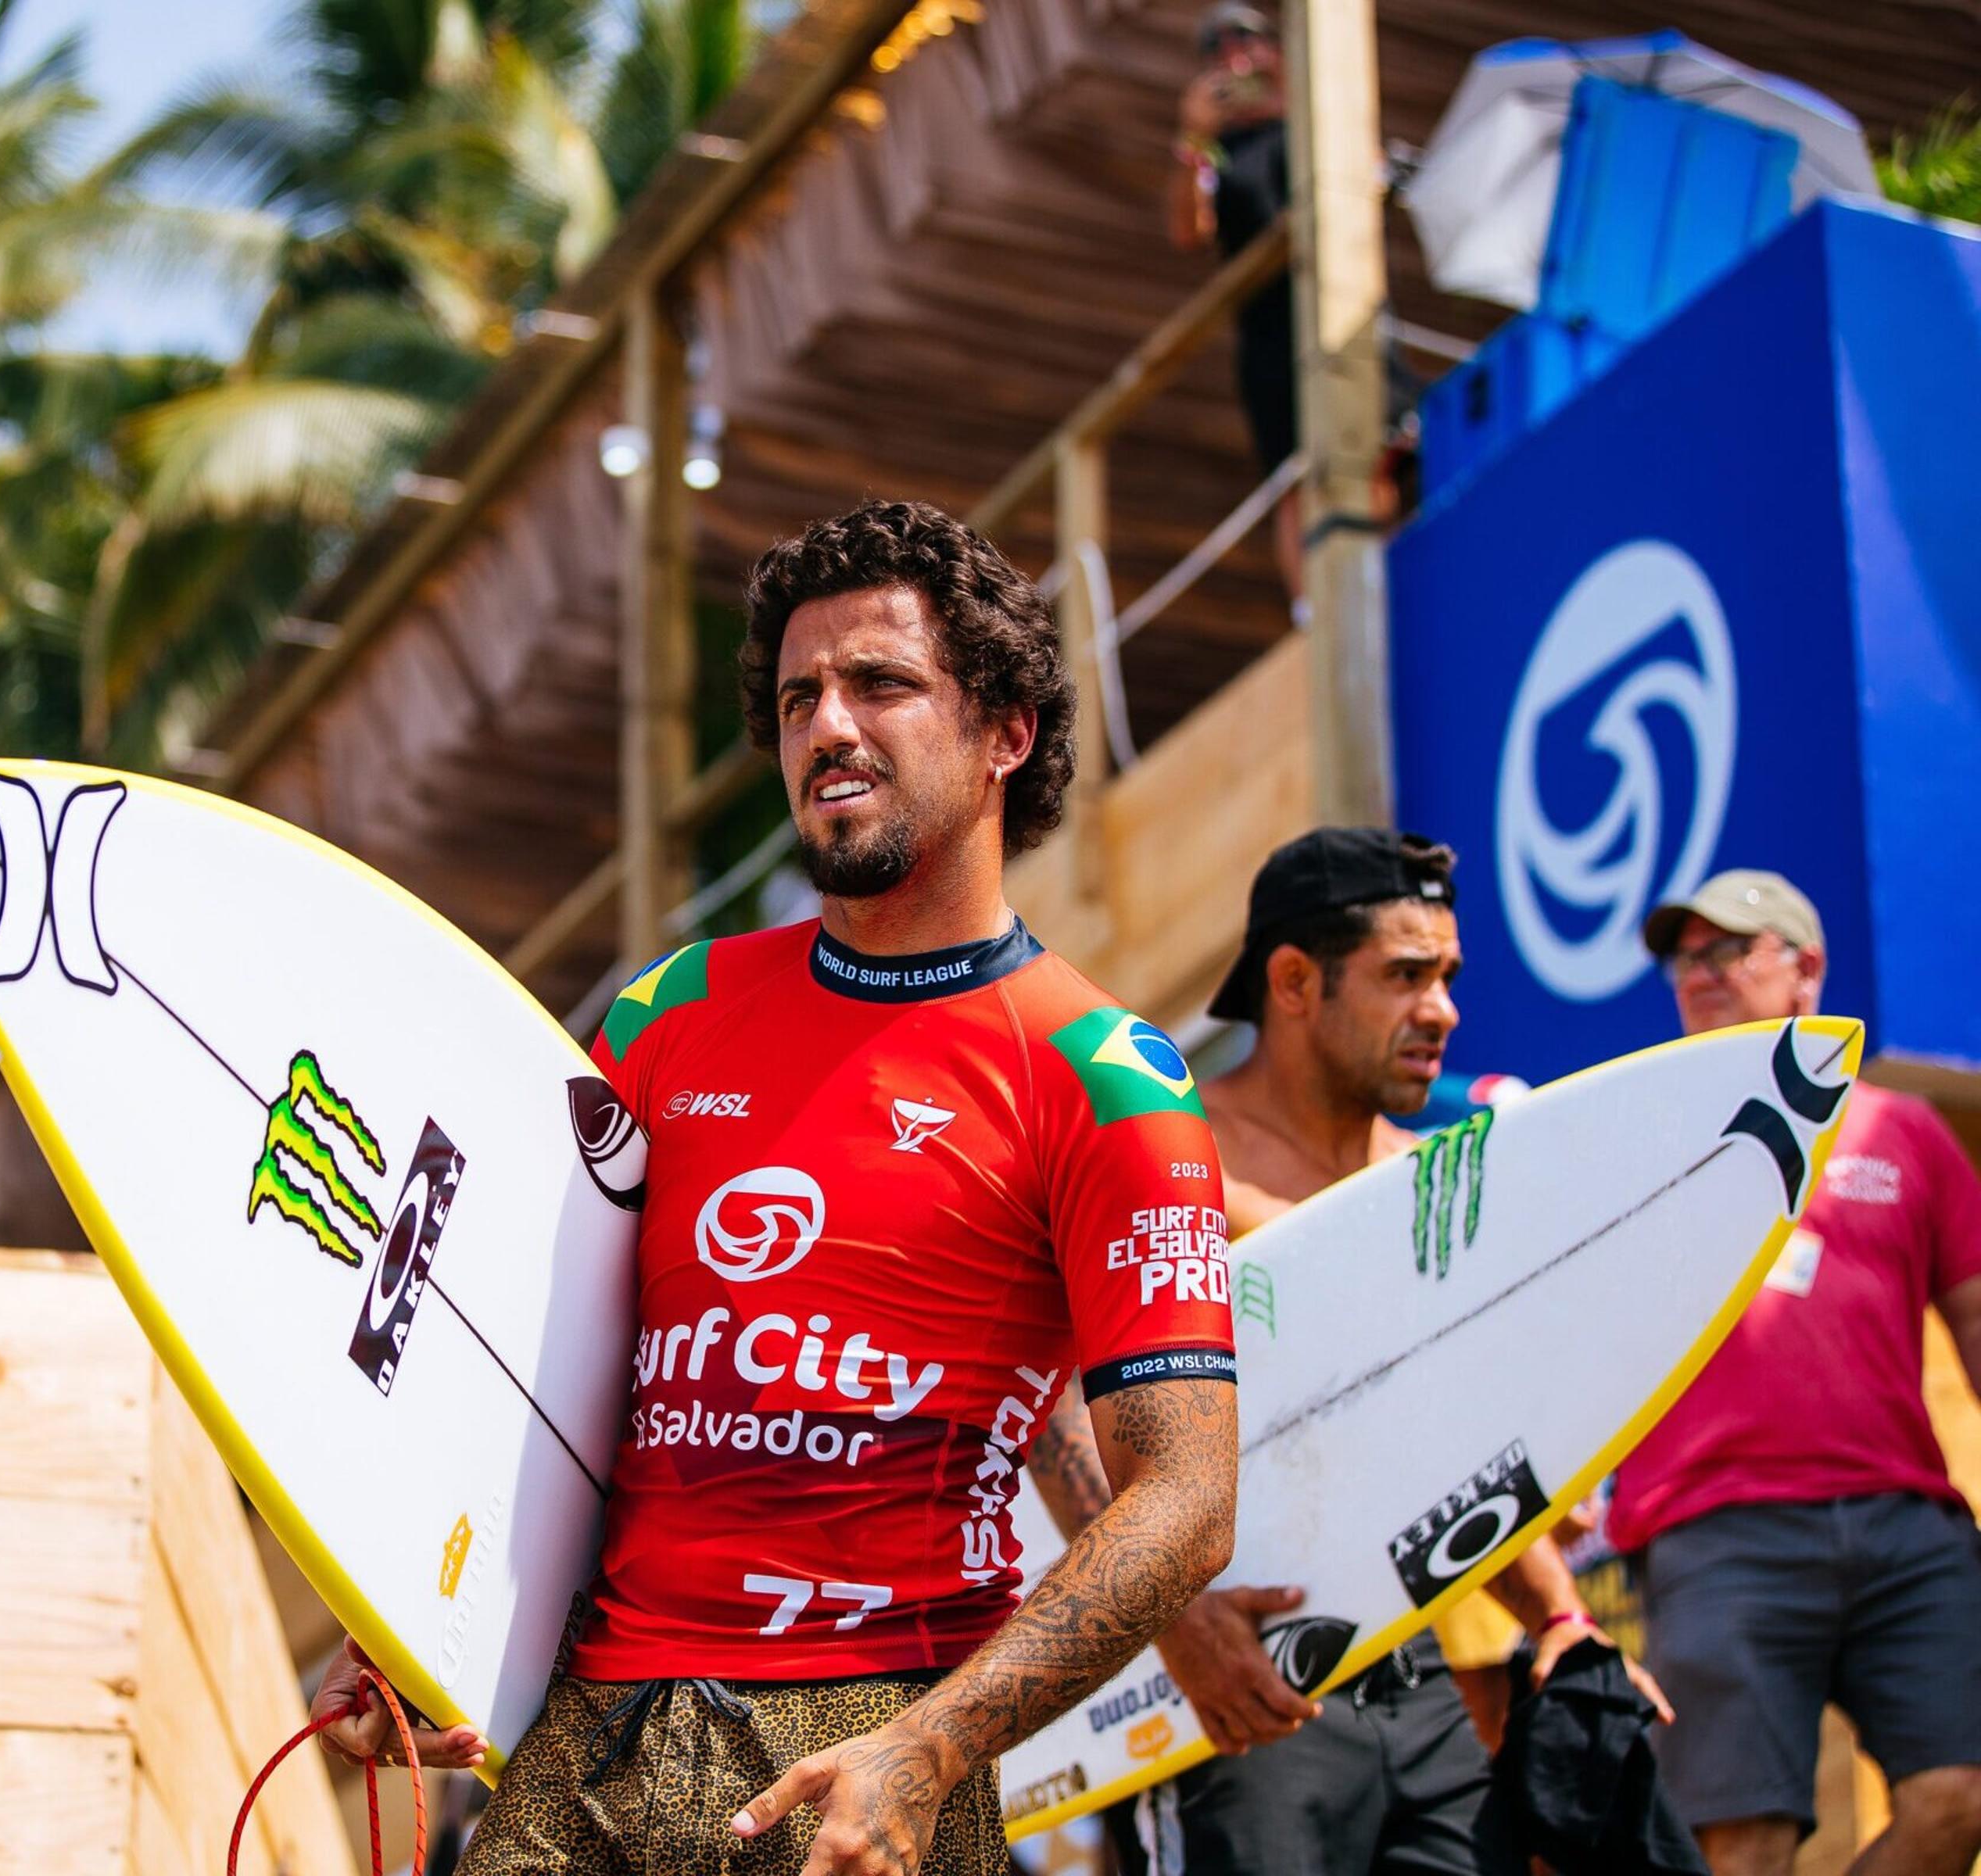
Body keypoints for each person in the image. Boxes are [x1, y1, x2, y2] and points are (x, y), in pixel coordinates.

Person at [312, 499, 1244, 1876]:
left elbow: (1189, 1496)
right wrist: (405, 1624)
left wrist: (934, 1744)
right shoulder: (669, 1012)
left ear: (1007, 733)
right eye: (802, 696)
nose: (829, 727)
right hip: (591, 1735)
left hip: (865, 1746)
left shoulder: (1107, 1074)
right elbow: (524, 1358)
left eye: (881, 684)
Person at [1036, 828, 1666, 1876]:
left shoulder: (1431, 1186)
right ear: (1294, 982)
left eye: (1449, 977)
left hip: (1406, 1670)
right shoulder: (1169, 1162)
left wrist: (1560, 1618)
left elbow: (1449, 1446)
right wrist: (1175, 1623)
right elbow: (1048, 1403)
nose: (1445, 1011)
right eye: (1406, 976)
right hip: (1219, 1682)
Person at [1615, 869, 1981, 1876]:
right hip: (1714, 1527)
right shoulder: (1638, 1134)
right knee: (1742, 1849)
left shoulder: (1907, 1131)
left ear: (1805, 967)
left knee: (1960, 1799)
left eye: (1729, 950)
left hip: (1908, 1522)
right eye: (1686, 958)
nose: (1701, 974)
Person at [1167, 2, 1304, 597]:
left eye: (1248, 44)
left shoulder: (1318, 116)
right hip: (1271, 332)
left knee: (1386, 449)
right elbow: (1187, 230)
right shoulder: (1224, 150)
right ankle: (1315, 609)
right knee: (1296, 477)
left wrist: (1292, 93)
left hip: (1343, 302)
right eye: (1219, 53)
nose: (1237, 59)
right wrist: (1194, 134)